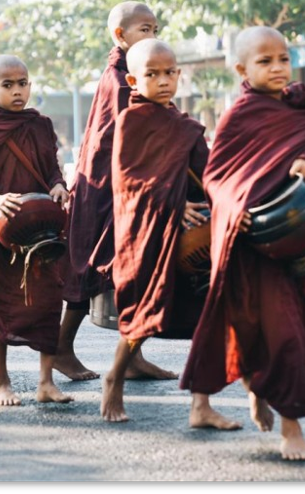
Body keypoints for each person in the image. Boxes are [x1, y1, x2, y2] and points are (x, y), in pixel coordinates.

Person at [181, 26, 305, 459]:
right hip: (254, 246)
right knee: (282, 335)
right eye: (264, 61)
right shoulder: (239, 116)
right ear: (242, 70)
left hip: (297, 245)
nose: (277, 68)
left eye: (283, 59)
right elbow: (218, 177)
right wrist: (234, 208)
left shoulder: (303, 109)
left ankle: (259, 388)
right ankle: (292, 430)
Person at [103, 39, 242, 430]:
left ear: (179, 75)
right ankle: (114, 378)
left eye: (169, 73)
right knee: (143, 313)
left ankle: (201, 404)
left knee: (208, 315)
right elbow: (127, 179)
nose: (162, 81)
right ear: (133, 79)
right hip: (147, 234)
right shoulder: (131, 122)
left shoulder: (184, 126)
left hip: (193, 240)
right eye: (151, 74)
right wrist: (173, 201)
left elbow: (211, 171)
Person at [59, 0, 177, 382]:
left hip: (124, 186)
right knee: (93, 268)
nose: (152, 36)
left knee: (135, 268)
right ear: (120, 35)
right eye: (144, 29)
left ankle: (133, 356)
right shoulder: (119, 77)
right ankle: (62, 348)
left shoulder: (136, 70)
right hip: (105, 188)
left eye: (155, 29)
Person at [0, 55, 73, 406]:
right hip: (3, 232)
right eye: (8, 85)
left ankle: (45, 381)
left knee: (51, 301)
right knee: (1, 305)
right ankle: (0, 381)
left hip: (43, 228)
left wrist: (59, 187)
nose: (17, 91)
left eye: (22, 83)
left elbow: (52, 168)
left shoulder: (41, 124)